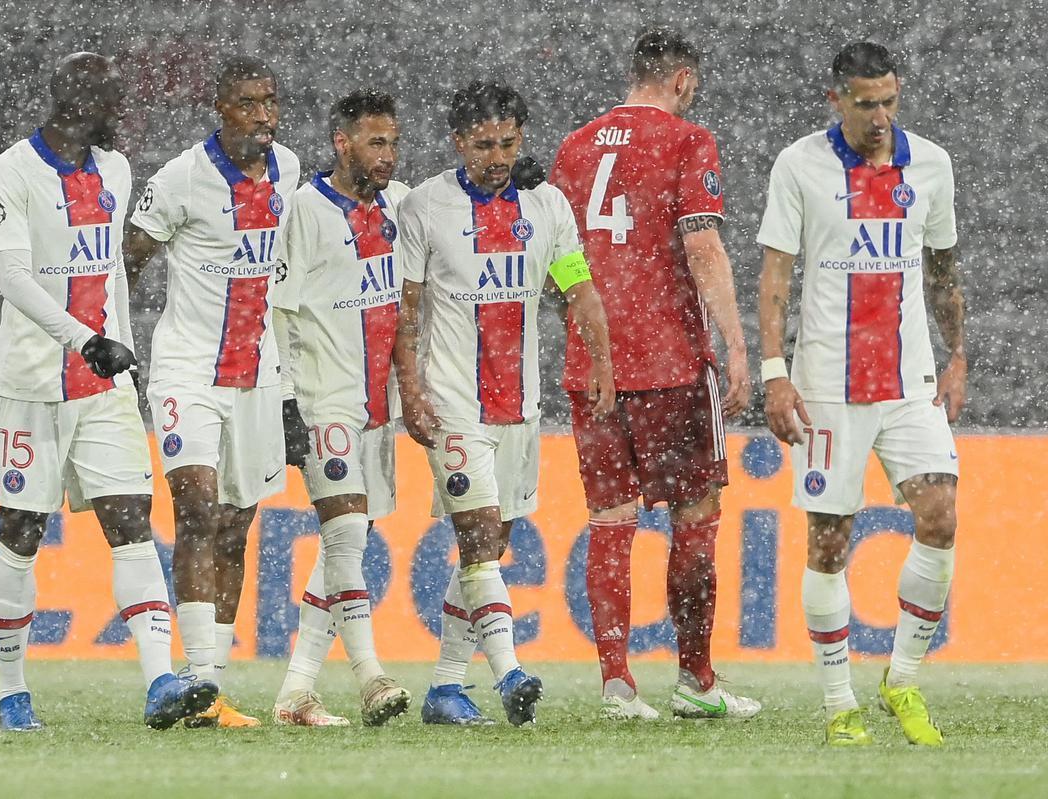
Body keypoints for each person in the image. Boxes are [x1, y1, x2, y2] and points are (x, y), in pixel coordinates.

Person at [0, 52, 216, 732]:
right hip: (31, 384)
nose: (120, 107)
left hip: (106, 381)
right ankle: (11, 691)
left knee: (131, 522)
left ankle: (160, 682)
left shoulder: (114, 168)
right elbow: (14, 279)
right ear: (73, 100)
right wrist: (84, 338)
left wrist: (122, 350)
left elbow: (109, 267)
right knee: (21, 531)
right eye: (109, 96)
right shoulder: (13, 171)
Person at [757, 41, 964, 747]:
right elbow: (777, 275)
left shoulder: (930, 163)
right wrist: (772, 371)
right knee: (829, 544)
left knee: (939, 516)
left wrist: (958, 353)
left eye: (890, 101)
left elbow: (941, 268)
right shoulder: (800, 165)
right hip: (826, 387)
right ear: (836, 100)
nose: (880, 117)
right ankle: (839, 700)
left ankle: (901, 678)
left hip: (910, 382)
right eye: (866, 102)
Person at [550, 28, 760, 722]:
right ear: (682, 80)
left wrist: (584, 337)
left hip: (597, 366)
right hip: (669, 360)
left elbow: (555, 260)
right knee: (695, 520)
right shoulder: (687, 140)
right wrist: (735, 343)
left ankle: (616, 682)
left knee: (610, 520)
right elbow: (701, 244)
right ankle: (697, 681)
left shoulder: (575, 147)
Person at [395, 80, 615, 726]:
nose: (496, 155)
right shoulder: (425, 207)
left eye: (508, 143)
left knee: (486, 548)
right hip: (453, 402)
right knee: (481, 537)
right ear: (459, 142)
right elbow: (406, 312)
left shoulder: (546, 206)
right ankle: (509, 670)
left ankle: (443, 688)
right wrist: (411, 388)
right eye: (484, 144)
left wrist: (602, 361)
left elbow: (579, 289)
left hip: (518, 405)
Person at [124, 57, 299, 729]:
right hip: (188, 367)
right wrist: (112, 346)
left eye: (270, 101)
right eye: (248, 103)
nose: (263, 114)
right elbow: (129, 261)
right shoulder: (180, 179)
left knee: (236, 522)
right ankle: (194, 678)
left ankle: (211, 694)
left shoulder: (286, 167)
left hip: (255, 374)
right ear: (219, 108)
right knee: (196, 508)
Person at [268, 89, 412, 727]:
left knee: (343, 547)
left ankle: (296, 692)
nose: (387, 155)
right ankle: (371, 677)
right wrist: (287, 399)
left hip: (379, 406)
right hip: (326, 398)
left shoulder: (402, 205)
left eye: (393, 142)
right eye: (375, 142)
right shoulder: (303, 211)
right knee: (348, 532)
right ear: (341, 143)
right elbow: (278, 310)